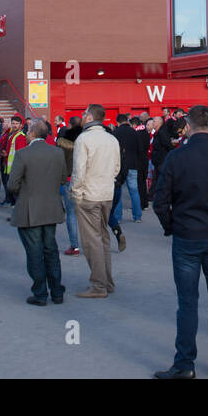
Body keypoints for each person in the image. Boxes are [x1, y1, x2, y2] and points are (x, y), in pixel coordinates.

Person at [151, 105, 208, 379]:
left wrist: (172, 227)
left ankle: (185, 363)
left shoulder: (177, 157)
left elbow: (161, 201)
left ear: (189, 127)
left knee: (188, 302)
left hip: (187, 236)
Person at [8, 119, 68, 304]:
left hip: (29, 209)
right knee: (51, 249)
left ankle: (40, 292)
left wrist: (26, 192)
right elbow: (63, 179)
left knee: (35, 251)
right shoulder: (58, 152)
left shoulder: (23, 154)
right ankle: (57, 291)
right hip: (51, 207)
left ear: (32, 133)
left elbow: (12, 185)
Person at [71, 104, 121, 298]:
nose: (82, 117)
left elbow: (79, 170)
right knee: (103, 238)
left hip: (88, 195)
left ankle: (99, 286)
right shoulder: (112, 139)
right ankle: (107, 282)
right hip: (106, 194)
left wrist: (75, 193)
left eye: (84, 114)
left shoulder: (83, 139)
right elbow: (116, 168)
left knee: (91, 242)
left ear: (90, 117)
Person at [57, 116, 83, 256]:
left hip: (69, 178)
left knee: (71, 213)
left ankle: (75, 245)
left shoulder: (63, 142)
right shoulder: (86, 140)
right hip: (85, 180)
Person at [112, 113, 144, 224]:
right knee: (134, 191)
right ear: (127, 121)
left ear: (118, 122)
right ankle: (137, 216)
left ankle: (118, 217)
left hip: (119, 165)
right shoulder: (134, 132)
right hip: (133, 164)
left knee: (118, 190)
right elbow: (140, 149)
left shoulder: (115, 133)